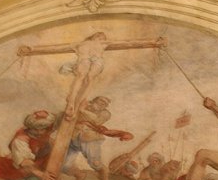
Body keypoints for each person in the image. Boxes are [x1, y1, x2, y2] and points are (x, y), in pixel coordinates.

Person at [17, 32, 167, 119]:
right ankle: (71, 103)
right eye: (99, 35)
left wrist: (154, 42)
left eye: (103, 36)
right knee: (80, 76)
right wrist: (30, 49)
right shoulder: (80, 44)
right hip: (83, 59)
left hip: (97, 61)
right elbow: (54, 47)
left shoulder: (104, 44)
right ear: (93, 36)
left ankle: (80, 102)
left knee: (89, 78)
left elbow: (131, 43)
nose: (101, 36)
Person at [62, 96, 133, 180]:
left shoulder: (105, 113)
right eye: (101, 101)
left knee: (96, 165)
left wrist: (81, 110)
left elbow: (96, 121)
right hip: (73, 138)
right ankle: (80, 176)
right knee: (65, 166)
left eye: (105, 103)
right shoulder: (83, 107)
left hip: (90, 140)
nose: (102, 104)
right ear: (94, 100)